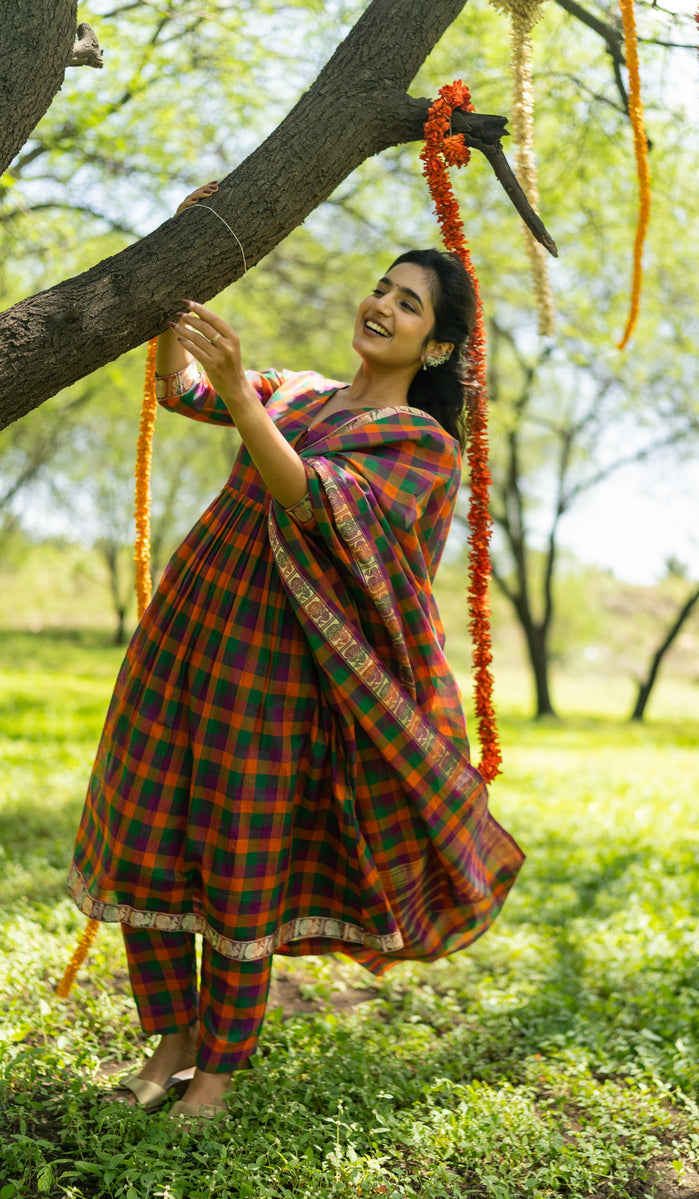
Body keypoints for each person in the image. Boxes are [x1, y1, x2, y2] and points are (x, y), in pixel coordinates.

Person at [67, 183, 524, 1125]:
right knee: (151, 825)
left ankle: (218, 1075)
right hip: (189, 634)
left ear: (437, 345)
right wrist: (178, 284)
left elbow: (312, 498)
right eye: (381, 287)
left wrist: (241, 390)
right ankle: (171, 1042)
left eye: (409, 303)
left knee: (238, 853)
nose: (383, 306)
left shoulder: (419, 444)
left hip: (278, 671)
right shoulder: (303, 390)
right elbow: (179, 391)